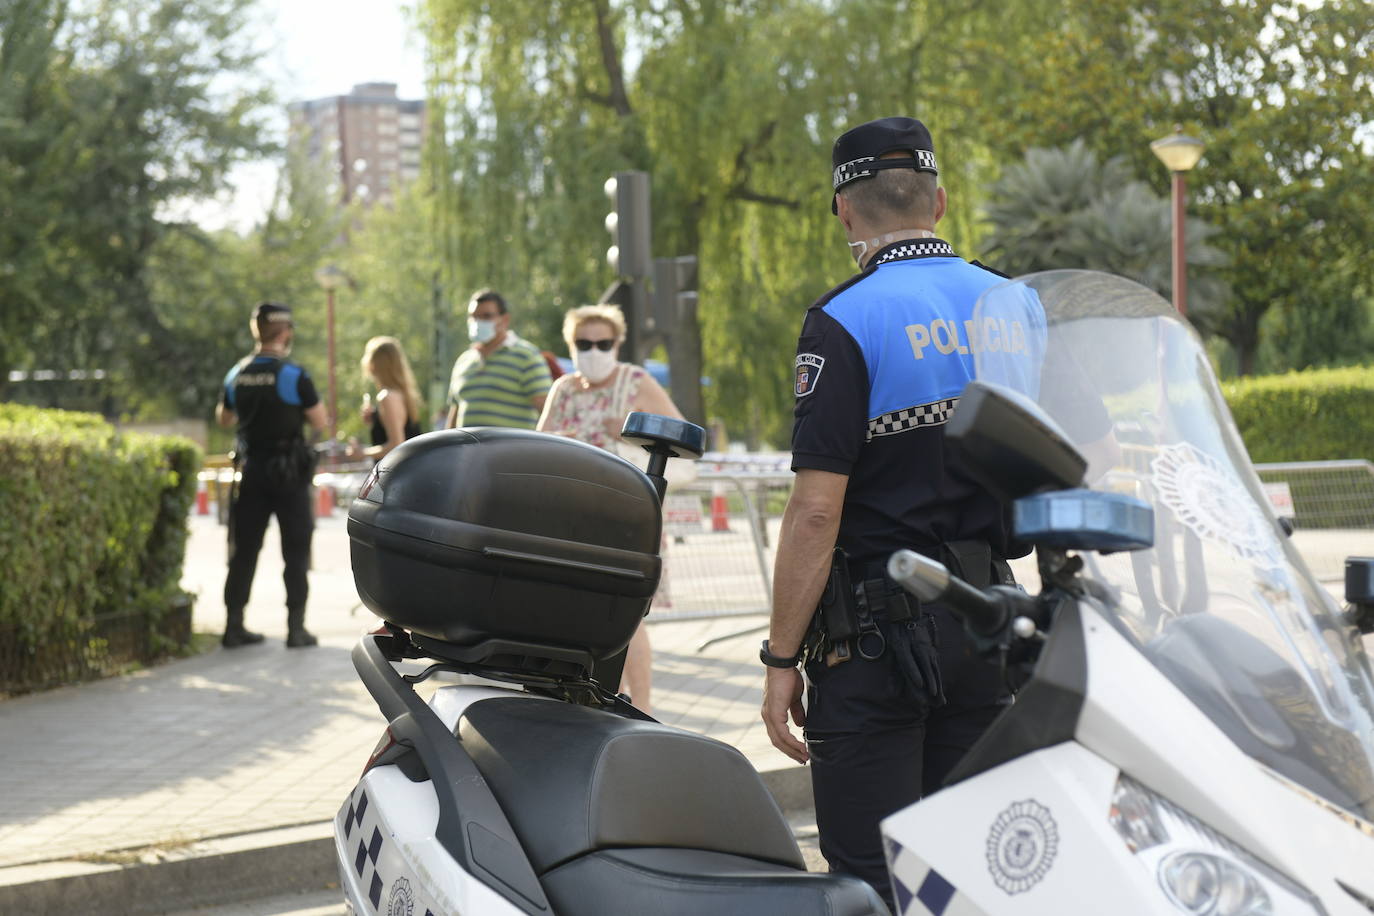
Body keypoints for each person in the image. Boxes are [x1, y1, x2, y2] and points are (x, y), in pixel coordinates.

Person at [760, 116, 1038, 907]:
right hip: (989, 625)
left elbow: (816, 513)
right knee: (979, 871)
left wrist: (781, 662)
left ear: (845, 214)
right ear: (940, 202)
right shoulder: (1012, 304)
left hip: (873, 644)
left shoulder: (844, 321)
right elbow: (1083, 458)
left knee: (870, 881)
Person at [537, 304, 685, 715]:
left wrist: (628, 429)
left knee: (628, 618)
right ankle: (591, 700)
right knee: (577, 615)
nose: (594, 350)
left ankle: (643, 706)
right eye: (584, 343)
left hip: (626, 518)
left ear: (618, 343)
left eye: (604, 342)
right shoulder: (564, 388)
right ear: (571, 345)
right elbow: (539, 445)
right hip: (571, 520)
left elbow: (683, 439)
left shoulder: (635, 381)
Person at [217, 302, 329, 649]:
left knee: (244, 548)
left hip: (251, 470)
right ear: (285, 333)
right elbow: (320, 421)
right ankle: (296, 629)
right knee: (295, 550)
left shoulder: (238, 373)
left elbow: (224, 418)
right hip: (288, 473)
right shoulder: (293, 374)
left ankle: (233, 626)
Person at [445, 290, 552, 429]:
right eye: (473, 317)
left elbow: (548, 411)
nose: (478, 322)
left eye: (486, 316)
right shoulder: (463, 361)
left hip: (514, 450)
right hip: (467, 451)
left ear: (505, 319)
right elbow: (455, 413)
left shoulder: (527, 356)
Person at [358, 336, 423, 462]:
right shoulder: (403, 395)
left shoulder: (387, 397)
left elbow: (396, 445)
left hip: (397, 475)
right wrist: (375, 420)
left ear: (372, 365)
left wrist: (362, 453)